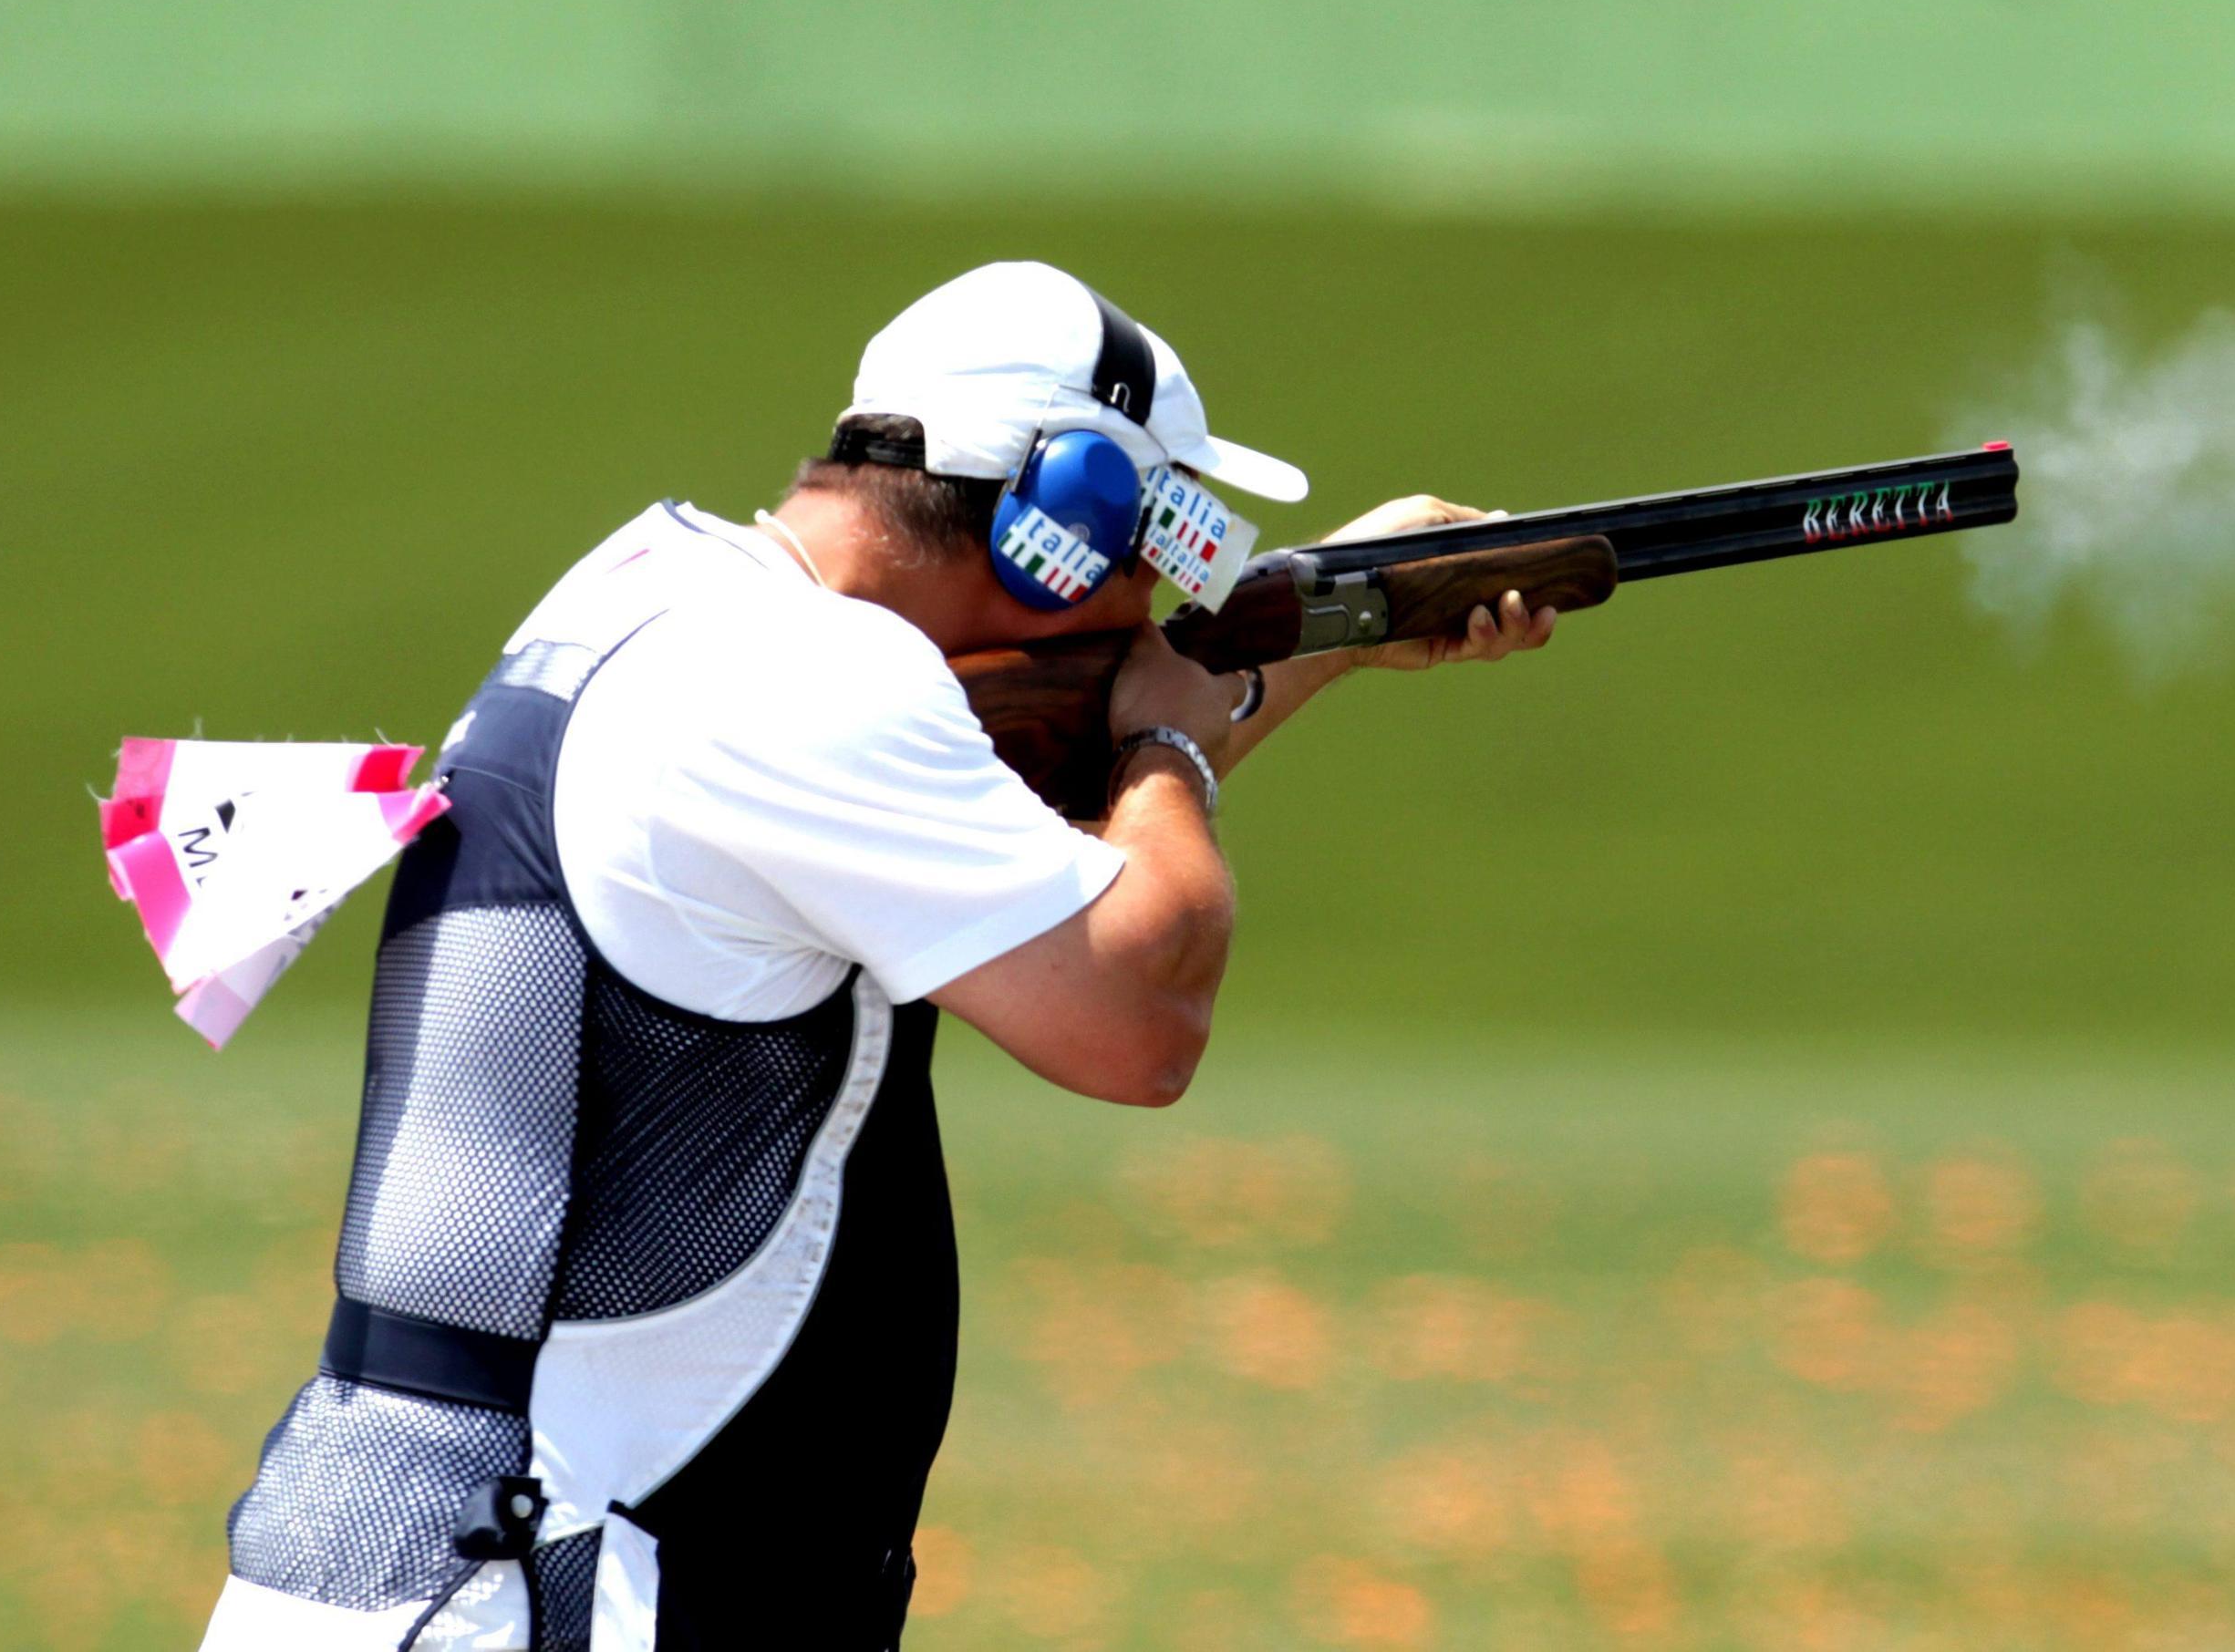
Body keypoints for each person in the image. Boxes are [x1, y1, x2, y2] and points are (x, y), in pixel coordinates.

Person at [199, 261, 1556, 1651]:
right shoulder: (804, 683)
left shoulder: (677, 595)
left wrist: (1333, 629)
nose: (1165, 596)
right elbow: (1139, 1016)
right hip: (543, 1583)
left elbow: (1026, 866)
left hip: (500, 1555)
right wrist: (1162, 742)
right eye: (1166, 540)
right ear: (1062, 525)